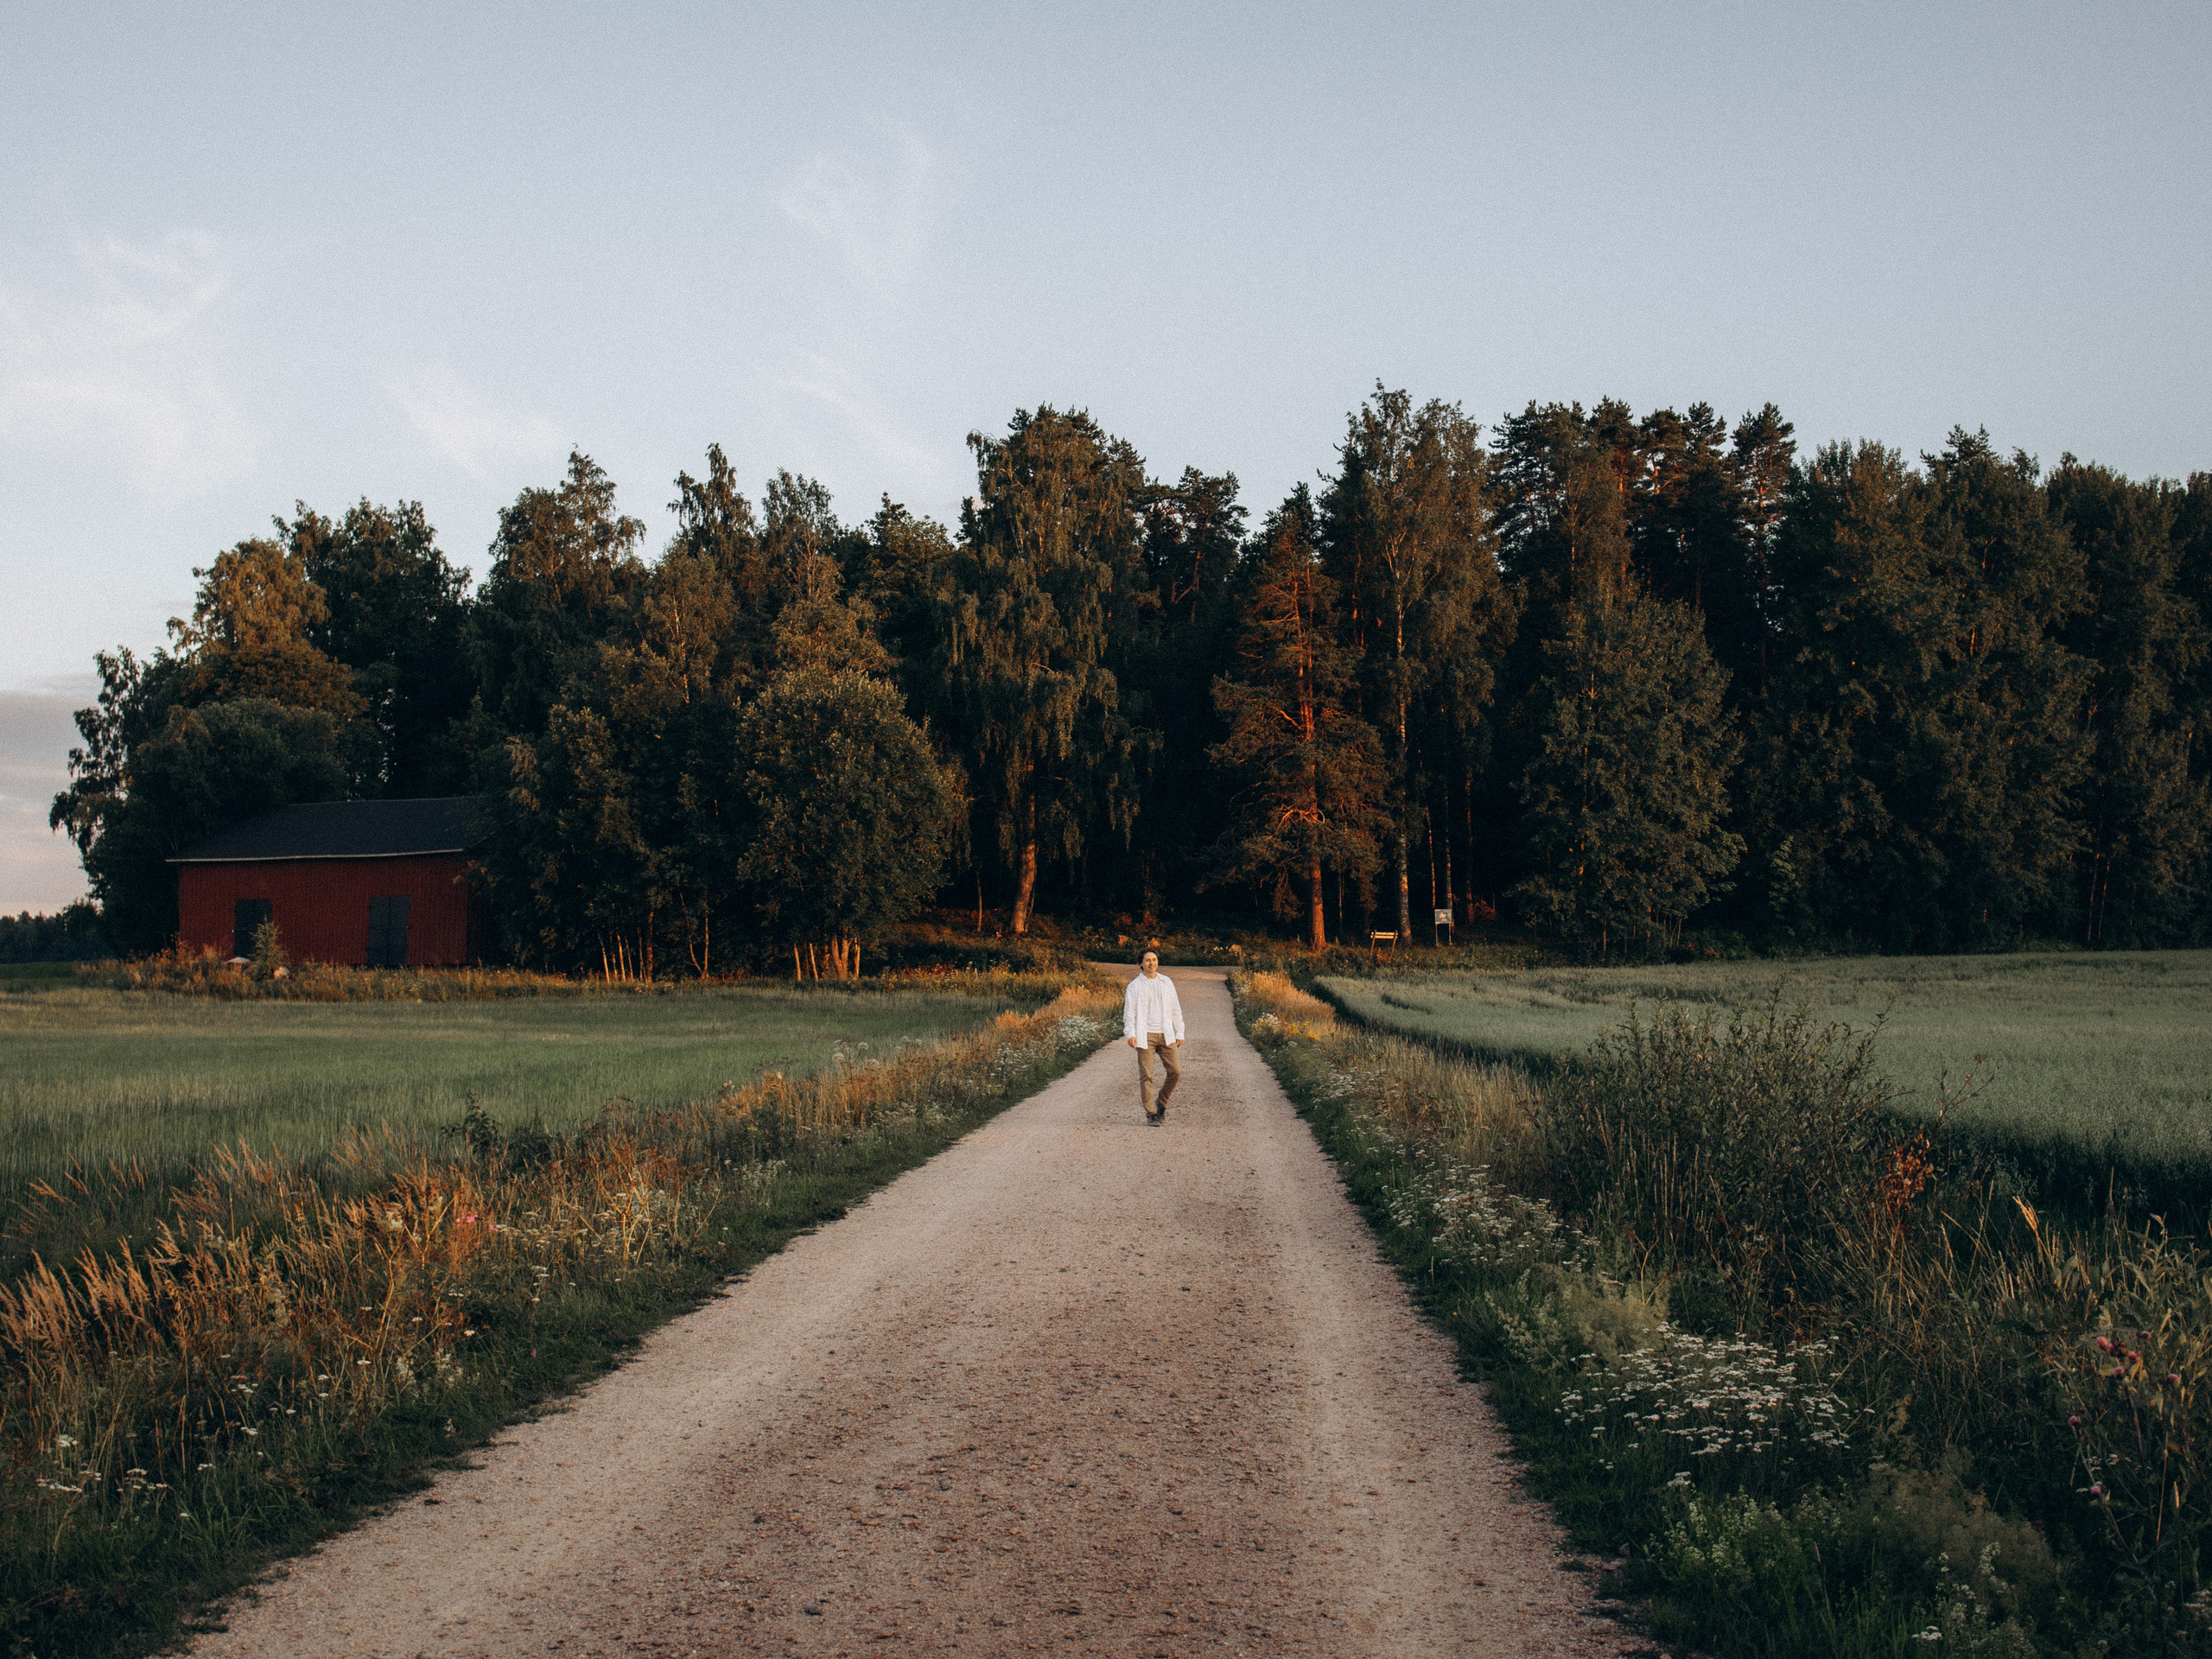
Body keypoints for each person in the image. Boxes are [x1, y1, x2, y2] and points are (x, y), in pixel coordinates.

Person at [1122, 949, 1185, 1124]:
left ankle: (1161, 1103)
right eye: (1147, 960)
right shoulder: (1135, 986)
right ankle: (1151, 1114)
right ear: (1141, 963)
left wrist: (1179, 1031)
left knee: (1175, 1071)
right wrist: (1131, 1034)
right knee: (1147, 1075)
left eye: (1154, 959)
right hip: (1145, 1035)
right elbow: (1129, 1013)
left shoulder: (1166, 982)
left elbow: (1175, 1008)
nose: (1152, 963)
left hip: (1166, 1034)